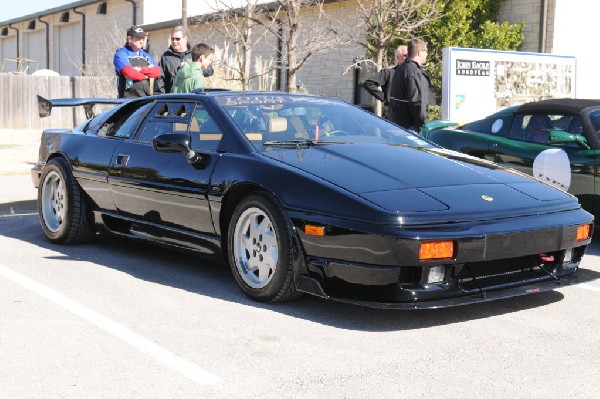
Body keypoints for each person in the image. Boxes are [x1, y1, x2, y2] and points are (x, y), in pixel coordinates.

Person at [156, 26, 214, 94]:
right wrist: (161, 100)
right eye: (172, 39)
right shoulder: (166, 57)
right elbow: (159, 81)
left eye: (177, 39)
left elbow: (210, 71)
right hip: (172, 98)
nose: (174, 41)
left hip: (190, 96)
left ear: (185, 39)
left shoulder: (194, 53)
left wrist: (190, 69)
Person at [389, 38, 431, 132]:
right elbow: (417, 102)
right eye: (426, 51)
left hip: (397, 124)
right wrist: (423, 125)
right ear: (419, 52)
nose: (427, 54)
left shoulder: (400, 69)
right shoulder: (413, 72)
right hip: (410, 127)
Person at [113, 25, 161, 98]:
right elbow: (129, 73)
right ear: (129, 39)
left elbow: (157, 72)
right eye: (138, 38)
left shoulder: (145, 55)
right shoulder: (121, 54)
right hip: (128, 99)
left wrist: (140, 69)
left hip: (146, 97)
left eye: (143, 38)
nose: (141, 41)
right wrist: (147, 74)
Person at [363, 45, 407, 120]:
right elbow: (369, 83)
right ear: (397, 57)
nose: (408, 58)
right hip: (393, 116)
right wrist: (384, 97)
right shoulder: (389, 73)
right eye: (405, 55)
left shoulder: (414, 74)